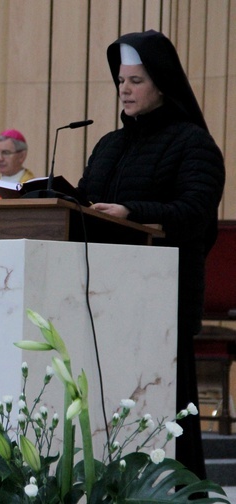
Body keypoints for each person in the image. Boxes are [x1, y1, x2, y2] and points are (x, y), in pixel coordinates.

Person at [77, 30, 225, 480]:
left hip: (162, 301)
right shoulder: (108, 145)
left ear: (162, 84)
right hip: (102, 299)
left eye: (136, 81)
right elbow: (83, 206)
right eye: (121, 80)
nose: (124, 89)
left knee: (169, 415)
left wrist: (131, 212)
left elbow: (194, 212)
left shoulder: (192, 144)